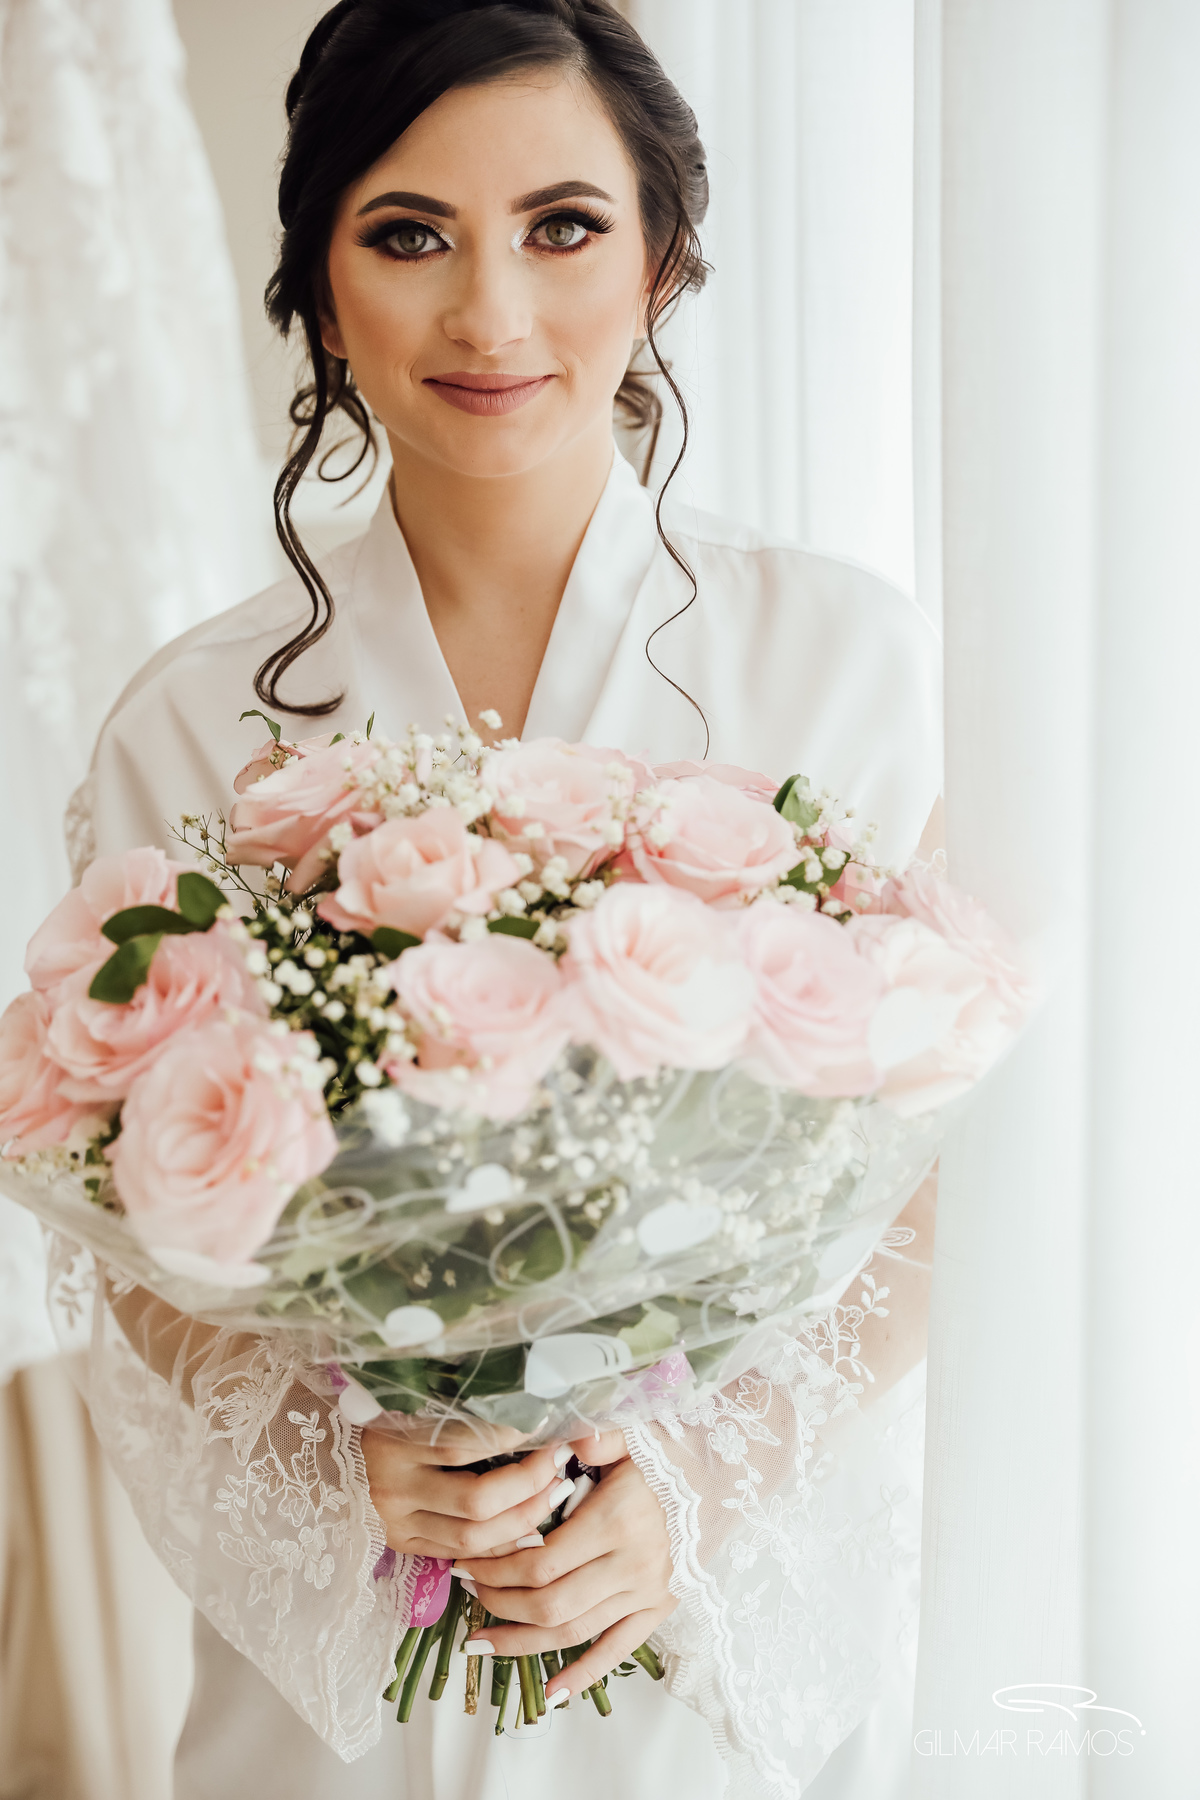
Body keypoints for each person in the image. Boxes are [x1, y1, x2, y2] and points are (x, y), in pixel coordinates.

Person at [69, 4, 941, 1795]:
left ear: (665, 261)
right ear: (317, 278)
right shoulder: (189, 720)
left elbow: (944, 1177)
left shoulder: (844, 660)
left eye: (562, 228)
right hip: (345, 1668)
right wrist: (337, 1459)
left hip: (709, 1633)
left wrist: (695, 1486)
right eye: (409, 237)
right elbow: (130, 1218)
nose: (492, 316)